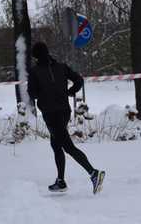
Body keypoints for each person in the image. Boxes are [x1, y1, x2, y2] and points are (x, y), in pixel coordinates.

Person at [27, 41, 105, 194]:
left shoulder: (35, 72)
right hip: (64, 111)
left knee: (67, 146)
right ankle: (61, 181)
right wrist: (70, 91)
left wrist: (41, 94)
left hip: (51, 114)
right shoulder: (61, 66)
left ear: (35, 56)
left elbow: (33, 94)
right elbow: (79, 80)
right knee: (56, 145)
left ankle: (94, 173)